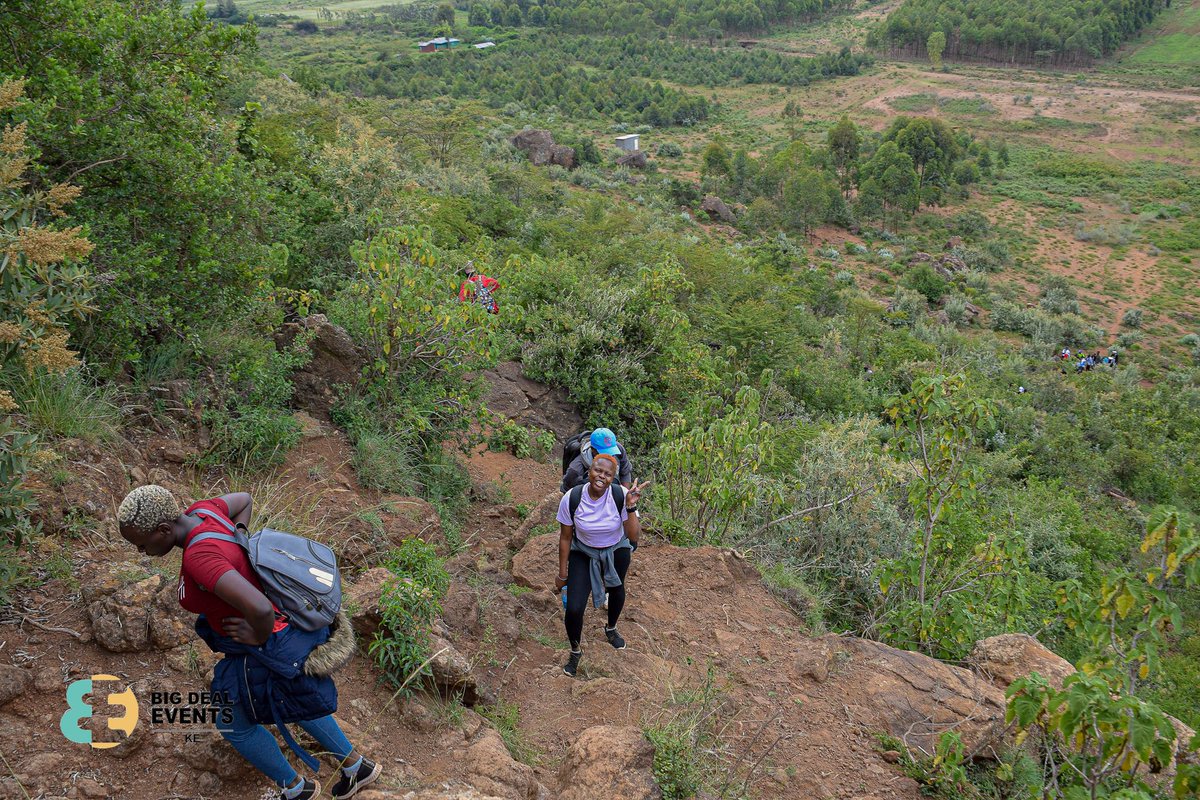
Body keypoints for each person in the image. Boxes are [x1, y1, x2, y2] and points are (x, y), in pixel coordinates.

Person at [116, 485, 380, 800]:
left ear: (163, 529)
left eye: (142, 544)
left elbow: (260, 608)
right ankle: (356, 768)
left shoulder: (200, 558)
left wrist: (258, 634)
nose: (141, 552)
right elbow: (243, 501)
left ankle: (296, 789)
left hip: (263, 642)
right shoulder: (203, 511)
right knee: (289, 695)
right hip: (282, 630)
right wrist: (241, 535)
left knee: (232, 724)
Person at [554, 455, 649, 677]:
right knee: (575, 607)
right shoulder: (572, 498)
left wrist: (631, 507)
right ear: (589, 470)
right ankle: (575, 650)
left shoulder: (620, 495)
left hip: (616, 549)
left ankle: (611, 628)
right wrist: (562, 573)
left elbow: (634, 535)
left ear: (613, 478)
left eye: (608, 474)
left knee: (616, 590)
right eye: (598, 471)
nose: (602, 477)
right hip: (584, 552)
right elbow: (565, 538)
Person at [560, 427, 632, 493]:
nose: (610, 456)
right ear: (593, 449)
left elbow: (625, 472)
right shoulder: (576, 469)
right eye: (605, 453)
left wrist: (625, 496)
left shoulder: (618, 449)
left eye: (612, 452)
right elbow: (568, 493)